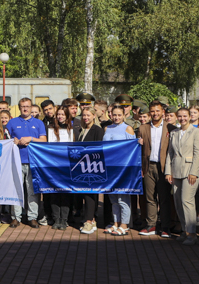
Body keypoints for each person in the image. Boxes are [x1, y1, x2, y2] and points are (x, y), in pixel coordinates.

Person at [165, 108, 199, 246]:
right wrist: (168, 172)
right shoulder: (174, 132)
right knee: (178, 202)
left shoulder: (197, 132)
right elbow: (170, 153)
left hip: (190, 172)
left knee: (187, 201)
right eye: (179, 116)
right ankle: (184, 230)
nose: (182, 118)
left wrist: (194, 172)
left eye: (185, 116)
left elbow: (198, 153)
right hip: (176, 171)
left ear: (190, 116)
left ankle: (192, 233)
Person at [6, 97, 46, 228]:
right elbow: (5, 139)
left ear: (31, 107)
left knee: (32, 190)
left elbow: (44, 140)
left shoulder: (39, 123)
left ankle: (32, 217)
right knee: (16, 189)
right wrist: (13, 141)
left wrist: (31, 139)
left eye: (27, 106)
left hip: (33, 161)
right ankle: (15, 217)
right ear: (19, 107)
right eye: (23, 106)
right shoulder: (12, 122)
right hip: (16, 160)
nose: (25, 108)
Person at [137, 101, 172, 237]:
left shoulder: (170, 128)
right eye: (152, 111)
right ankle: (151, 225)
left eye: (158, 111)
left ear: (162, 112)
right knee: (150, 198)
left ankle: (165, 226)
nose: (155, 113)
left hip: (164, 167)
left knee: (164, 198)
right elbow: (139, 151)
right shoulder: (143, 128)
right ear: (149, 112)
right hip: (148, 166)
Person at [104, 105, 136, 236]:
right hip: (109, 167)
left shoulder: (128, 128)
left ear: (124, 115)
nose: (116, 117)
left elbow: (132, 150)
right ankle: (116, 223)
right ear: (110, 115)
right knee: (113, 198)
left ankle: (124, 225)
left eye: (119, 115)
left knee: (123, 198)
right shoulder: (107, 128)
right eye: (114, 114)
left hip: (122, 168)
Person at [73, 106, 105, 235]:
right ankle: (90, 219)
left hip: (93, 167)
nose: (86, 118)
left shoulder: (98, 130)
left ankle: (89, 221)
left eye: (88, 115)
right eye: (84, 115)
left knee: (90, 194)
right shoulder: (81, 130)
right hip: (82, 167)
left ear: (93, 116)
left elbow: (99, 148)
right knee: (84, 193)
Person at [45, 106, 73, 230]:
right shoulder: (50, 129)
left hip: (67, 166)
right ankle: (56, 219)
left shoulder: (72, 130)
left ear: (67, 116)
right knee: (54, 193)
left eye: (63, 114)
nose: (60, 116)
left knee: (65, 194)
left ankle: (64, 219)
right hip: (53, 165)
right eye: (59, 114)